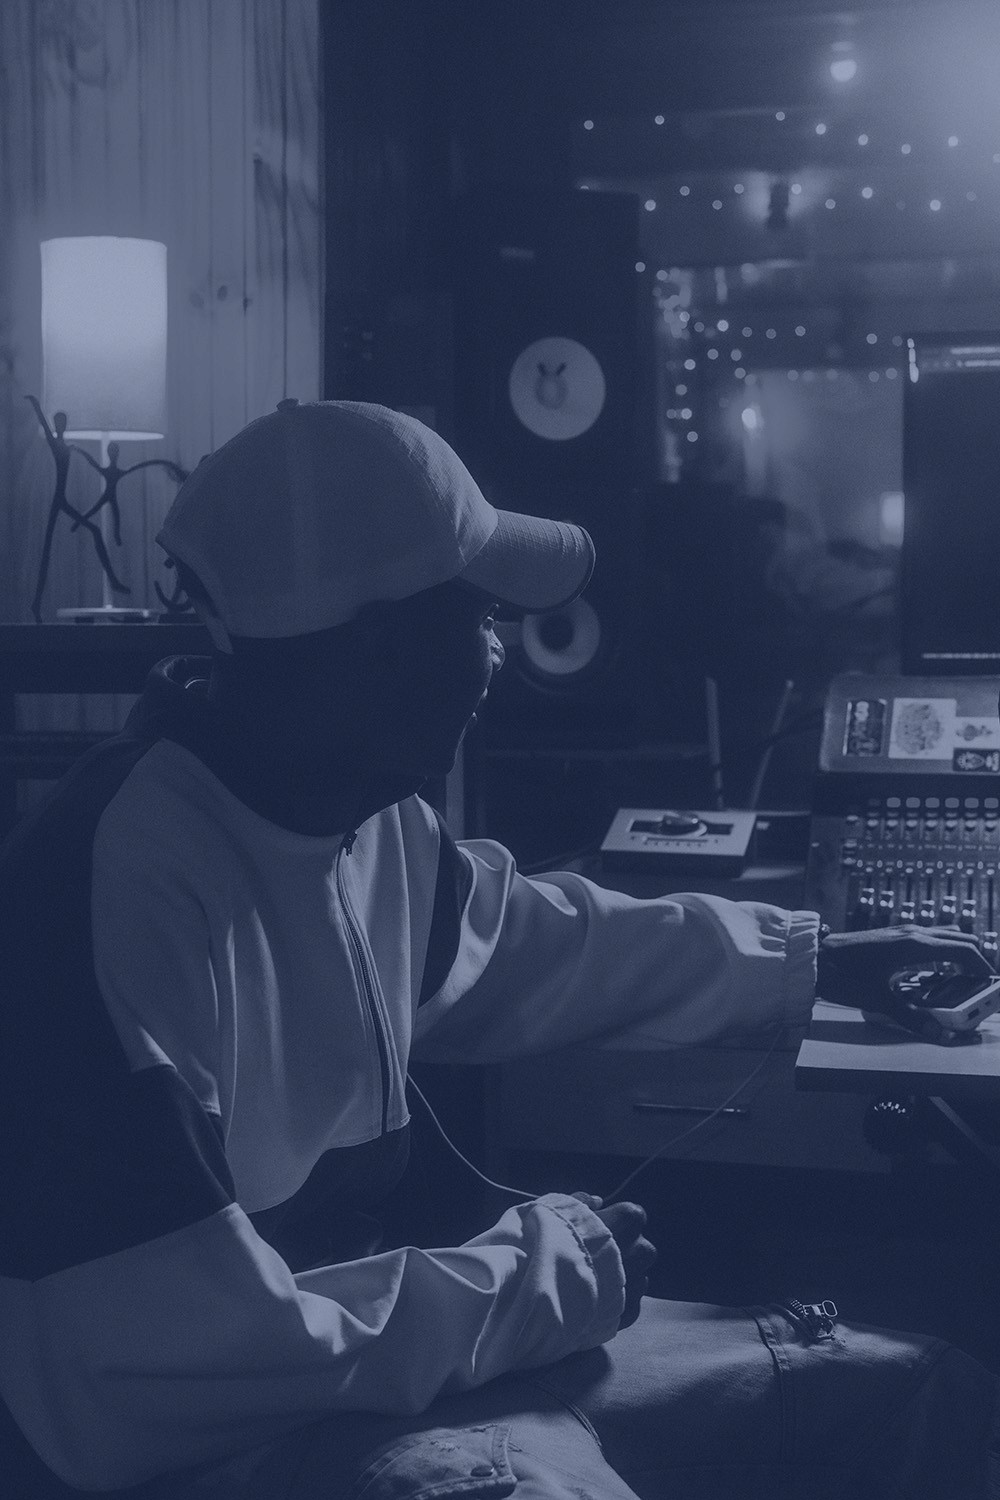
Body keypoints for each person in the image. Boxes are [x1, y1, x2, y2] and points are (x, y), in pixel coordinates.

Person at [0, 399, 997, 1500]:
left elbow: (535, 940)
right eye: (479, 619)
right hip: (237, 1442)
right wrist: (533, 1283)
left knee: (929, 1395)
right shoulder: (108, 890)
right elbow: (154, 1367)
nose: (498, 659)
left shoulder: (355, 817)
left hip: (394, 1364)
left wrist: (811, 960)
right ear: (378, 648)